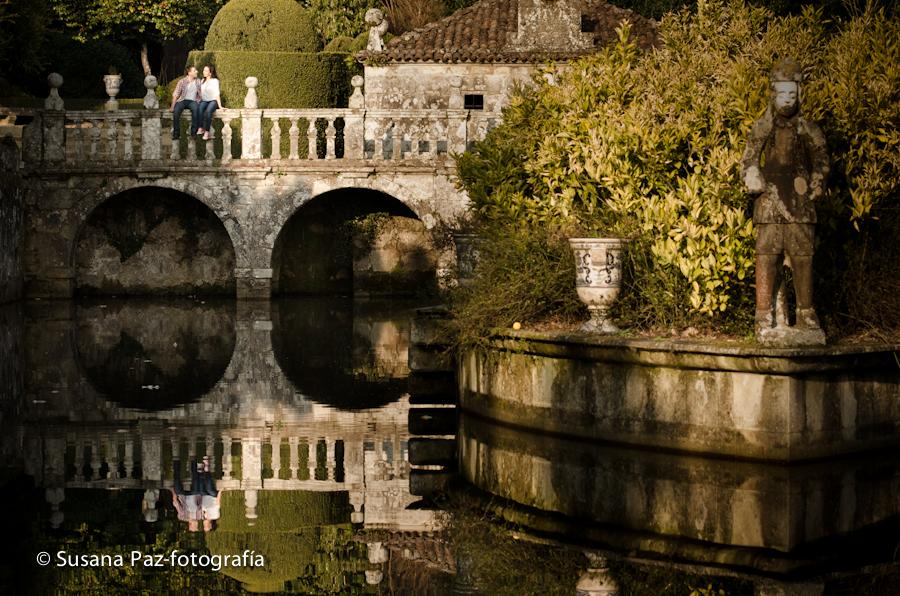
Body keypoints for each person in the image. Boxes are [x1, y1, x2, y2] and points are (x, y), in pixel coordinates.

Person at [741, 57, 829, 342]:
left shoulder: (810, 129)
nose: (787, 100)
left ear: (800, 94)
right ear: (773, 94)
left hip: (800, 202)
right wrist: (752, 175)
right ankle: (764, 315)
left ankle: (806, 314)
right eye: (782, 94)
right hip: (768, 200)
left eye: (792, 94)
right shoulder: (761, 128)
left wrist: (818, 181)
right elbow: (749, 159)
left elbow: (822, 160)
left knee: (803, 259)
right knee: (767, 257)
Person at [170, 66, 201, 140]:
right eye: (194, 71)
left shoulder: (198, 81)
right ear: (189, 72)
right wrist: (172, 106)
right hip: (182, 100)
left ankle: (193, 133)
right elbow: (176, 94)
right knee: (176, 112)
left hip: (193, 101)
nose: (196, 72)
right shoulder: (182, 81)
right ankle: (176, 134)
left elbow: (203, 93)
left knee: (196, 110)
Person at [171, 458, 202, 532]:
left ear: (190, 525)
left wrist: (173, 493)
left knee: (176, 482)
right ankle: (193, 461)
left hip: (183, 496)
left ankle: (176, 461)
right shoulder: (199, 516)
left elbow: (176, 504)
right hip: (194, 495)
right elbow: (201, 503)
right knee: (196, 479)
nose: (197, 525)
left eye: (195, 527)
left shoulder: (182, 517)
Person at [198, 65, 223, 141]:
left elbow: (217, 93)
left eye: (206, 70)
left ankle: (207, 132)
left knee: (208, 111)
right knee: (200, 109)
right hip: (204, 101)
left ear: (210, 73)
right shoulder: (202, 81)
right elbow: (200, 94)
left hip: (213, 100)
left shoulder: (215, 81)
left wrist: (220, 106)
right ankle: (200, 127)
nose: (203, 72)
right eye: (203, 70)